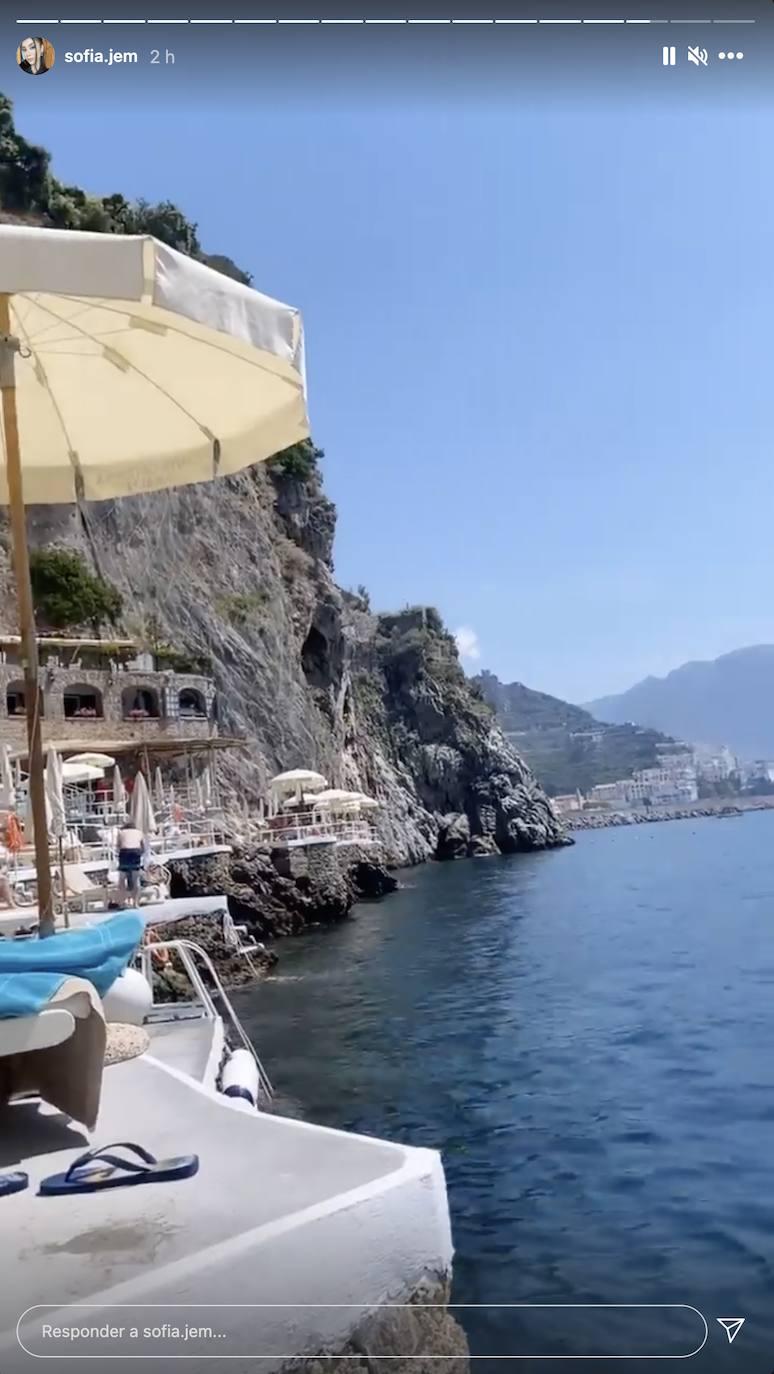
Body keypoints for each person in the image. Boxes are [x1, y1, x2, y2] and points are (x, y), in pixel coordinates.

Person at [117, 823, 144, 908]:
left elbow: (118, 846)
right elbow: (143, 847)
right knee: (136, 879)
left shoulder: (121, 832)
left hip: (124, 852)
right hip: (135, 852)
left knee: (122, 879)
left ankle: (122, 903)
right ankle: (136, 903)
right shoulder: (139, 832)